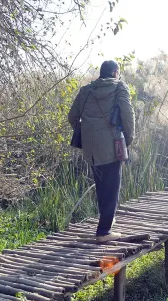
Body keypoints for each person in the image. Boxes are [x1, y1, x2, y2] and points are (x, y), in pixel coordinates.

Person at [68, 60, 135, 242]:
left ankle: (107, 222)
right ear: (115, 73)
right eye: (118, 72)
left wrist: (87, 131)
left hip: (91, 149)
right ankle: (104, 232)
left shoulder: (86, 91)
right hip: (112, 145)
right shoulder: (120, 87)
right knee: (112, 187)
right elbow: (128, 115)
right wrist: (128, 139)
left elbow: (72, 116)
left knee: (101, 186)